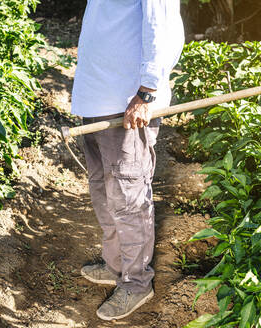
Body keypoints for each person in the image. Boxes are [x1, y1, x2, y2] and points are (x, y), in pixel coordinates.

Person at [71, 0, 185, 321]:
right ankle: (116, 265)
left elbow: (160, 27)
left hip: (128, 104)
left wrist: (147, 92)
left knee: (128, 197)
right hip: (96, 99)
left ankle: (136, 282)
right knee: (102, 190)